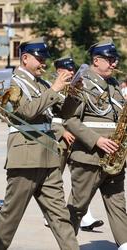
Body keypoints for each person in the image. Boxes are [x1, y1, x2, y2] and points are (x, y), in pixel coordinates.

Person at [0, 37, 80, 250]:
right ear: (25, 58)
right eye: (40, 59)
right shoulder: (10, 82)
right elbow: (25, 113)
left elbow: (62, 114)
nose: (44, 64)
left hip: (49, 155)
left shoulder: (42, 83)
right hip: (25, 156)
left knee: (60, 216)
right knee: (10, 217)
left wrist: (74, 93)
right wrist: (55, 89)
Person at [65, 39, 127, 250]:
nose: (114, 63)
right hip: (89, 158)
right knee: (77, 206)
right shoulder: (81, 83)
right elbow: (70, 120)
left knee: (118, 205)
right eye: (110, 59)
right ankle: (67, 244)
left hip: (115, 159)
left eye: (115, 59)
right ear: (96, 60)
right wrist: (97, 140)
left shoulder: (114, 86)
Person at [52, 55, 104, 231]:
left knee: (80, 184)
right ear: (59, 71)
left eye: (73, 69)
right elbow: (51, 117)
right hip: (59, 140)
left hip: (74, 140)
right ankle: (54, 214)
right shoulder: (54, 88)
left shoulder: (73, 88)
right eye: (67, 69)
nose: (71, 72)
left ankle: (85, 216)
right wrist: (62, 132)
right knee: (55, 180)